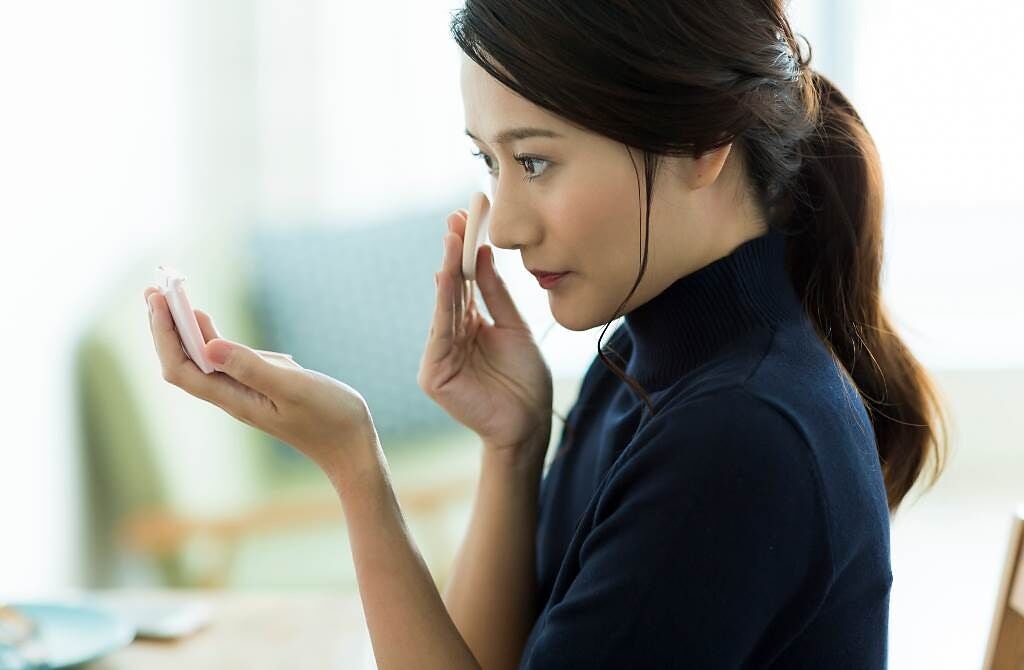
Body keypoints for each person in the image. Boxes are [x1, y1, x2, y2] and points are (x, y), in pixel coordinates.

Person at [146, 1, 949, 668]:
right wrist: (512, 445)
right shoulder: (644, 359)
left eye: (534, 162)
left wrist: (356, 464)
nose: (502, 226)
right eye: (490, 164)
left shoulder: (737, 434)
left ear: (702, 142)